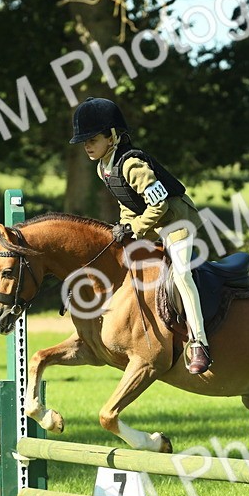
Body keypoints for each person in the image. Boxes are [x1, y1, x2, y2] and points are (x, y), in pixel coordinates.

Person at [70, 97, 212, 374]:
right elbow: (127, 202)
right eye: (84, 141)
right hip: (151, 223)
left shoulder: (133, 164)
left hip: (176, 222)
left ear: (111, 136)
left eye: (92, 139)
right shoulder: (104, 168)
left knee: (181, 273)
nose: (87, 146)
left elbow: (158, 204)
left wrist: (135, 229)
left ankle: (199, 342)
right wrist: (123, 227)